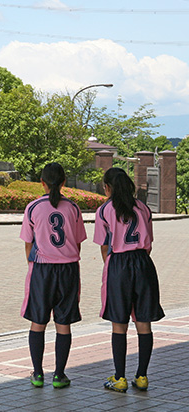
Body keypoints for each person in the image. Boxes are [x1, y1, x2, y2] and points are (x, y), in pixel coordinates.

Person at [94, 167, 164, 393]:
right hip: (143, 263)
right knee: (144, 322)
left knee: (119, 323)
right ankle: (142, 376)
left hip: (118, 264)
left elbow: (104, 246)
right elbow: (149, 242)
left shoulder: (104, 210)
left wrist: (112, 268)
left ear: (107, 188)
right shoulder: (143, 208)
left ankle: (120, 378)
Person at [20, 163, 87, 389]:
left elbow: (28, 244)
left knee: (38, 322)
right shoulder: (73, 208)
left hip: (42, 269)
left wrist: (34, 263)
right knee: (63, 323)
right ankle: (59, 375)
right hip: (68, 268)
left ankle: (38, 374)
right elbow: (78, 242)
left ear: (42, 183)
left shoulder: (33, 207)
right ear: (64, 182)